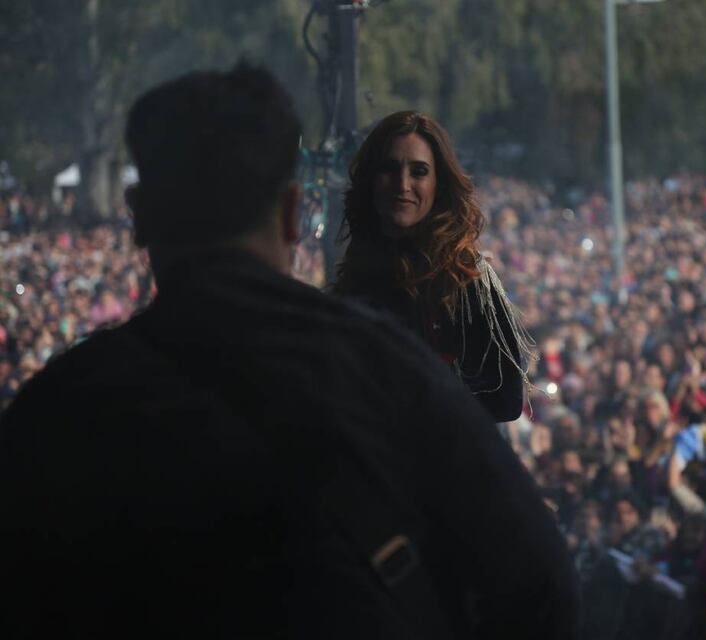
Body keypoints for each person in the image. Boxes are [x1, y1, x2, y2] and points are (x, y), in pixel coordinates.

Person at [0, 63, 579, 639]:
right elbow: (539, 586)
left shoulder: (56, 410)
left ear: (140, 214)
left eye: (418, 172)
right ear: (291, 213)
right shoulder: (389, 370)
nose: (403, 185)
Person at [334, 111, 532, 422]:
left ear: (438, 184)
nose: (403, 184)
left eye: (419, 171)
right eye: (390, 168)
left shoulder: (468, 278)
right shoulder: (356, 276)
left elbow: (505, 399)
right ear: (372, 180)